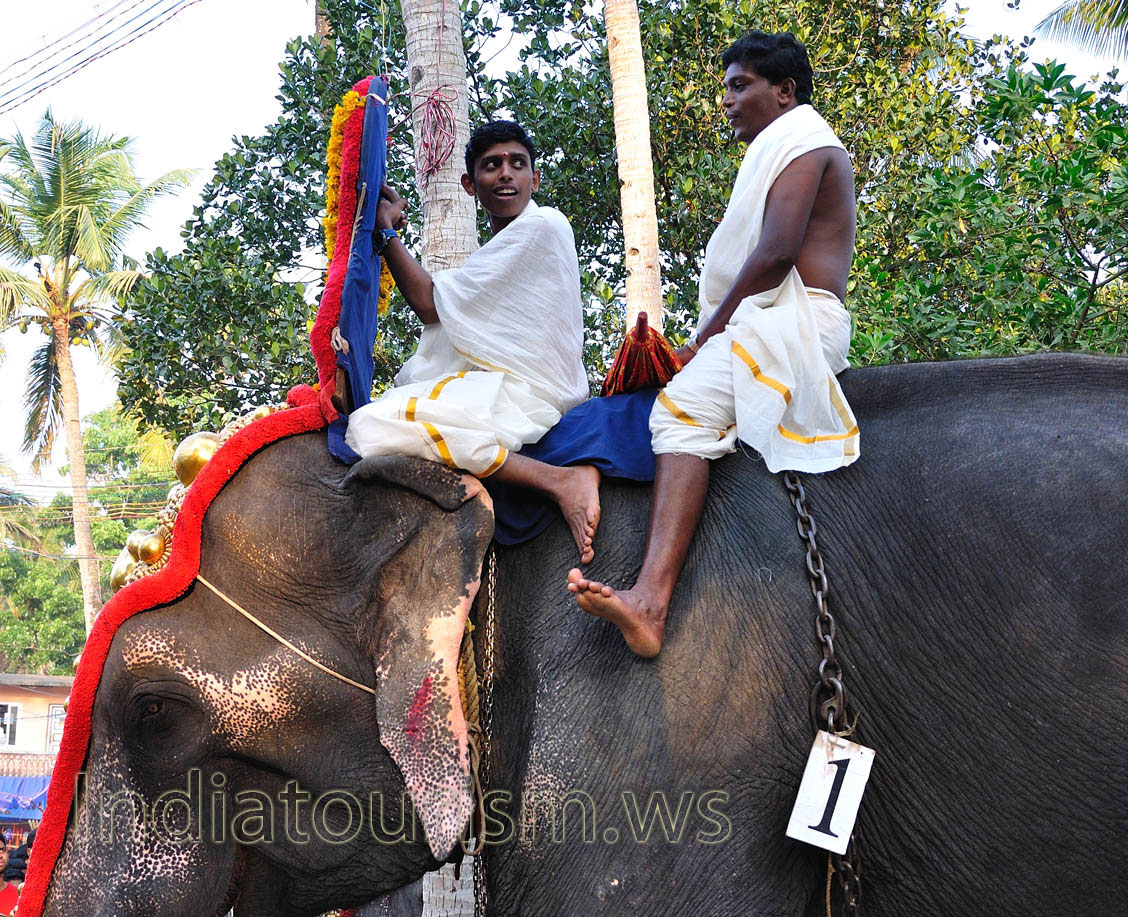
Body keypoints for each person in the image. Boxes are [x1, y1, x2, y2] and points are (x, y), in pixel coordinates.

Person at [569, 31, 860, 656]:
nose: (726, 100)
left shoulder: (806, 142)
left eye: (740, 85)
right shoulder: (790, 145)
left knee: (680, 414)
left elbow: (778, 253)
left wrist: (703, 339)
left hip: (801, 321)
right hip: (779, 320)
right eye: (725, 87)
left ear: (785, 93)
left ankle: (651, 600)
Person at [345, 120, 602, 562]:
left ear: (534, 178)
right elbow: (449, 309)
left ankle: (561, 481)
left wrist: (386, 234)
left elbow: (429, 303)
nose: (506, 173)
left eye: (517, 164)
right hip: (502, 384)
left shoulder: (543, 226)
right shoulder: (497, 250)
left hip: (530, 393)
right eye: (491, 166)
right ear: (469, 184)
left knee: (376, 425)